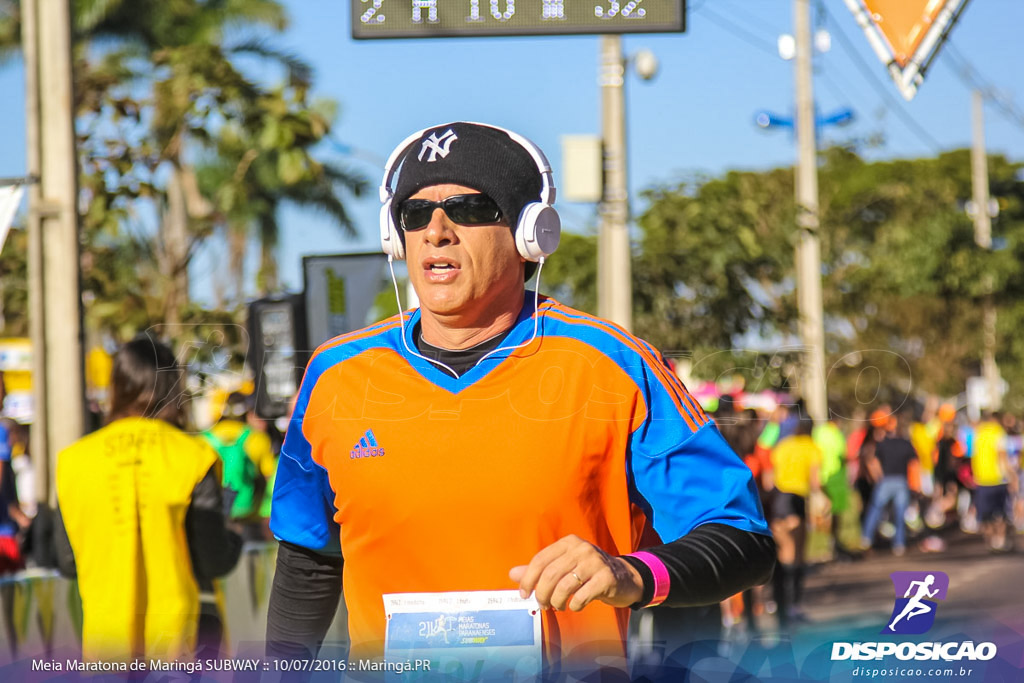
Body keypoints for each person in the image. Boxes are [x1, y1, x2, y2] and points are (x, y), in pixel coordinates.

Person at [266, 122, 774, 675]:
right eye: (415, 214)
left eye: (469, 208)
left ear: (530, 235)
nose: (436, 231)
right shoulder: (335, 375)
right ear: (397, 239)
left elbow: (741, 537)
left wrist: (632, 575)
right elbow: (309, 558)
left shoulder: (614, 365)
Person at [55, 336, 242, 662]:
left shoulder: (73, 461)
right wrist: (235, 538)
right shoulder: (195, 456)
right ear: (173, 387)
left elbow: (67, 562)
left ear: (117, 387)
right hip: (184, 644)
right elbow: (214, 560)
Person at [766, 411, 821, 627]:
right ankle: (792, 606)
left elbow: (770, 476)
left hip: (779, 499)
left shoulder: (782, 446)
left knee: (781, 553)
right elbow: (815, 481)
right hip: (797, 500)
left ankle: (776, 601)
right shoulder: (812, 448)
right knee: (797, 555)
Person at [861, 412, 918, 556]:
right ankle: (899, 544)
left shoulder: (882, 443)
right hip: (900, 481)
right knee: (899, 513)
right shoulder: (906, 443)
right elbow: (915, 463)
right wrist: (916, 484)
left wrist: (877, 476)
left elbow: (872, 461)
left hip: (886, 481)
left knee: (875, 510)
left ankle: (866, 538)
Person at [971, 411, 1017, 552]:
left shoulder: (978, 433)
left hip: (982, 479)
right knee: (1001, 513)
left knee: (985, 514)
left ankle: (990, 540)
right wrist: (1012, 476)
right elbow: (1002, 456)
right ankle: (1000, 540)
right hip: (998, 479)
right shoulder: (998, 432)